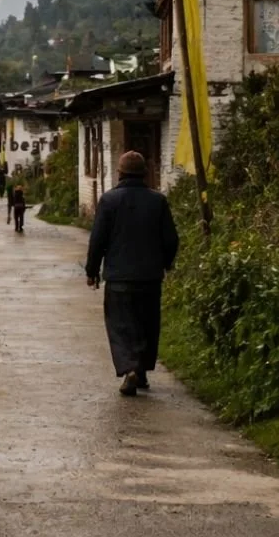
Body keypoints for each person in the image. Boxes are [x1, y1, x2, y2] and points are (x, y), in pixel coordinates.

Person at [85, 151, 179, 397]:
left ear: (120, 173)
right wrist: (165, 263)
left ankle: (129, 370)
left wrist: (92, 271)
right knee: (147, 324)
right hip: (149, 277)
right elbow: (171, 239)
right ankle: (142, 370)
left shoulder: (109, 201)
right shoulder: (157, 201)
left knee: (121, 325)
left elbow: (97, 240)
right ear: (144, 174)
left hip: (118, 277)